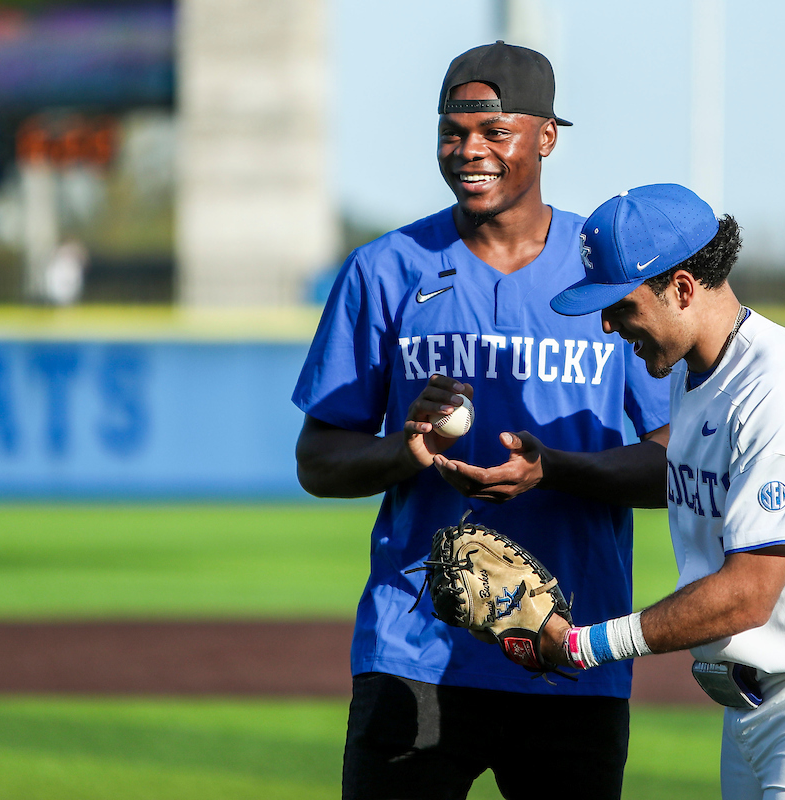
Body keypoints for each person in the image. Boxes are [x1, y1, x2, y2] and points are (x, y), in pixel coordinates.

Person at [291, 43, 670, 800]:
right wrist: (406, 453)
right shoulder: (386, 268)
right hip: (415, 652)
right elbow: (318, 459)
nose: (470, 151)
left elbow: (676, 464)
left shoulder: (607, 272)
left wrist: (555, 469)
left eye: (495, 131)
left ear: (547, 138)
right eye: (453, 131)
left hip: (570, 650)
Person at [546, 184, 785, 800]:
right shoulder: (700, 369)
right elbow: (673, 469)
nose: (608, 324)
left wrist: (582, 646)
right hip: (751, 708)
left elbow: (748, 593)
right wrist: (552, 470)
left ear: (683, 288)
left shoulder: (778, 388)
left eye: (621, 304)